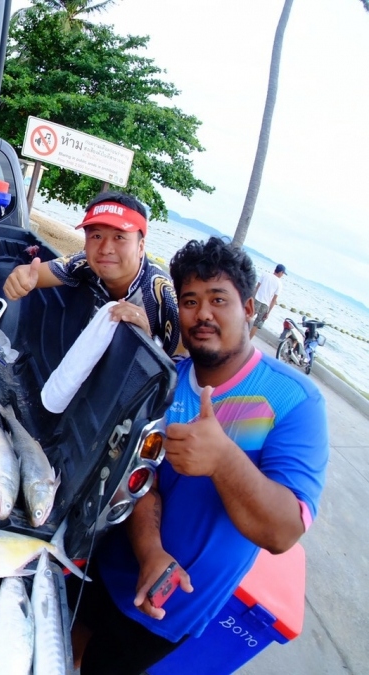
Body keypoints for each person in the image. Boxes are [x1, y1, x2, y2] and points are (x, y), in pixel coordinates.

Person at [67, 237, 328, 675]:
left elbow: (282, 532)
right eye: (190, 301)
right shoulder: (169, 379)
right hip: (109, 564)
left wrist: (225, 458)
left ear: (248, 309)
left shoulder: (294, 400)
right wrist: (150, 549)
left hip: (170, 605)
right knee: (64, 647)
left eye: (218, 299)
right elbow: (140, 477)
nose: (203, 313)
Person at [3, 191, 181, 358]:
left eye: (119, 237)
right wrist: (20, 277)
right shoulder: (85, 263)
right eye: (96, 236)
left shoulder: (163, 295)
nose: (105, 249)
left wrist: (146, 342)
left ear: (141, 247)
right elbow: (34, 274)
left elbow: (184, 367)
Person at [250, 263, 286, 338]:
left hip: (256, 299)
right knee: (256, 325)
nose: (282, 275)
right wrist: (268, 312)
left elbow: (257, 287)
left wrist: (251, 299)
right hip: (265, 305)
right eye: (283, 273)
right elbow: (274, 300)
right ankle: (246, 343)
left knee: (247, 318)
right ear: (280, 272)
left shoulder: (265, 275)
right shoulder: (279, 284)